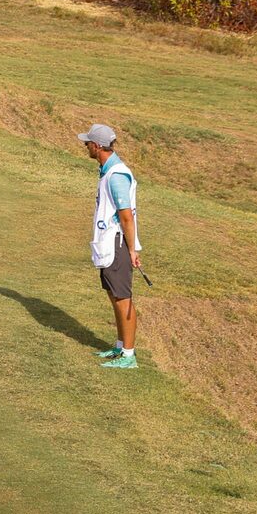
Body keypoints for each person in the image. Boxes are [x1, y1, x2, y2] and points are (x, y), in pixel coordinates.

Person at [79, 123, 141, 369]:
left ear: (96, 146)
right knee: (114, 296)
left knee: (122, 298)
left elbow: (126, 216)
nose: (85, 147)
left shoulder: (116, 176)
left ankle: (128, 355)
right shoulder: (107, 170)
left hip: (117, 244)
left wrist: (132, 249)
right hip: (110, 244)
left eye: (87, 144)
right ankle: (119, 346)